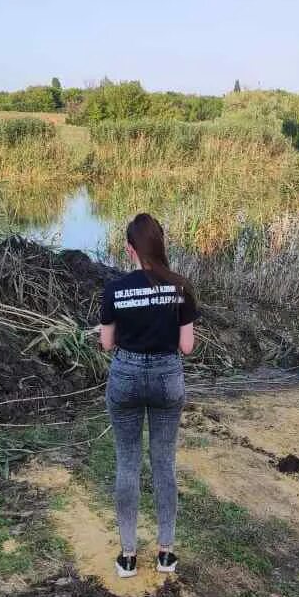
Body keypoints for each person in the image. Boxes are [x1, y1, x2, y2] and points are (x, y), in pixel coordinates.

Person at [98, 213, 198, 578]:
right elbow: (187, 347)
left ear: (129, 249)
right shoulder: (181, 287)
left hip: (125, 377)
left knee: (127, 464)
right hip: (167, 378)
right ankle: (166, 554)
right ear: (161, 245)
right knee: (163, 464)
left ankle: (127, 557)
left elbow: (107, 344)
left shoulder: (115, 290)